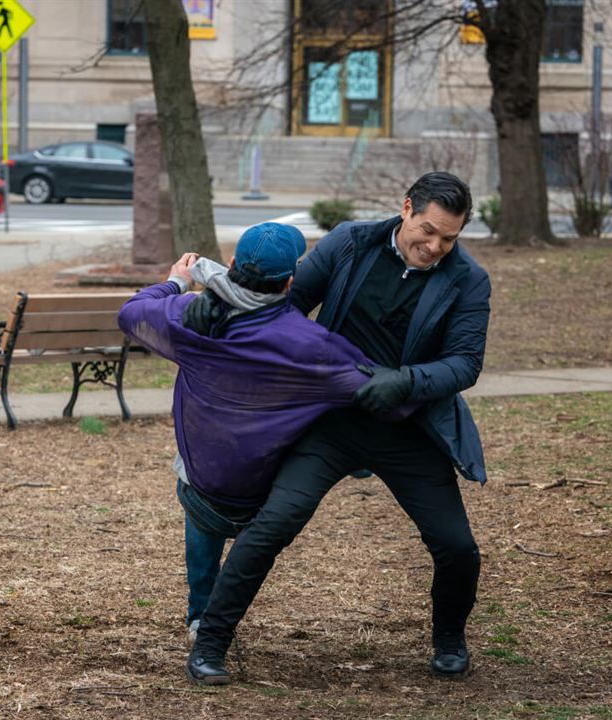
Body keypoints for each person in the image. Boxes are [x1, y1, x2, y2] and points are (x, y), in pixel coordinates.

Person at [187, 172, 491, 684]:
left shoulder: (468, 279)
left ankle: (449, 640)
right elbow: (284, 306)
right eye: (429, 230)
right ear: (406, 208)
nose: (436, 246)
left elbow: (465, 363)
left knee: (456, 546)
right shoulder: (351, 243)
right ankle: (211, 644)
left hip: (409, 430)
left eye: (450, 238)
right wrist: (220, 308)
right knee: (272, 525)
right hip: (328, 422)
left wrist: (407, 380)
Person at [117, 223, 417, 648]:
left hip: (204, 475)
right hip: (269, 486)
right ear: (291, 281)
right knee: (329, 415)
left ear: (235, 264)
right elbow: (383, 395)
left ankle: (201, 614)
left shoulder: (191, 317)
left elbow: (130, 315)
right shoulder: (312, 344)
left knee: (197, 490)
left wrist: (175, 284)